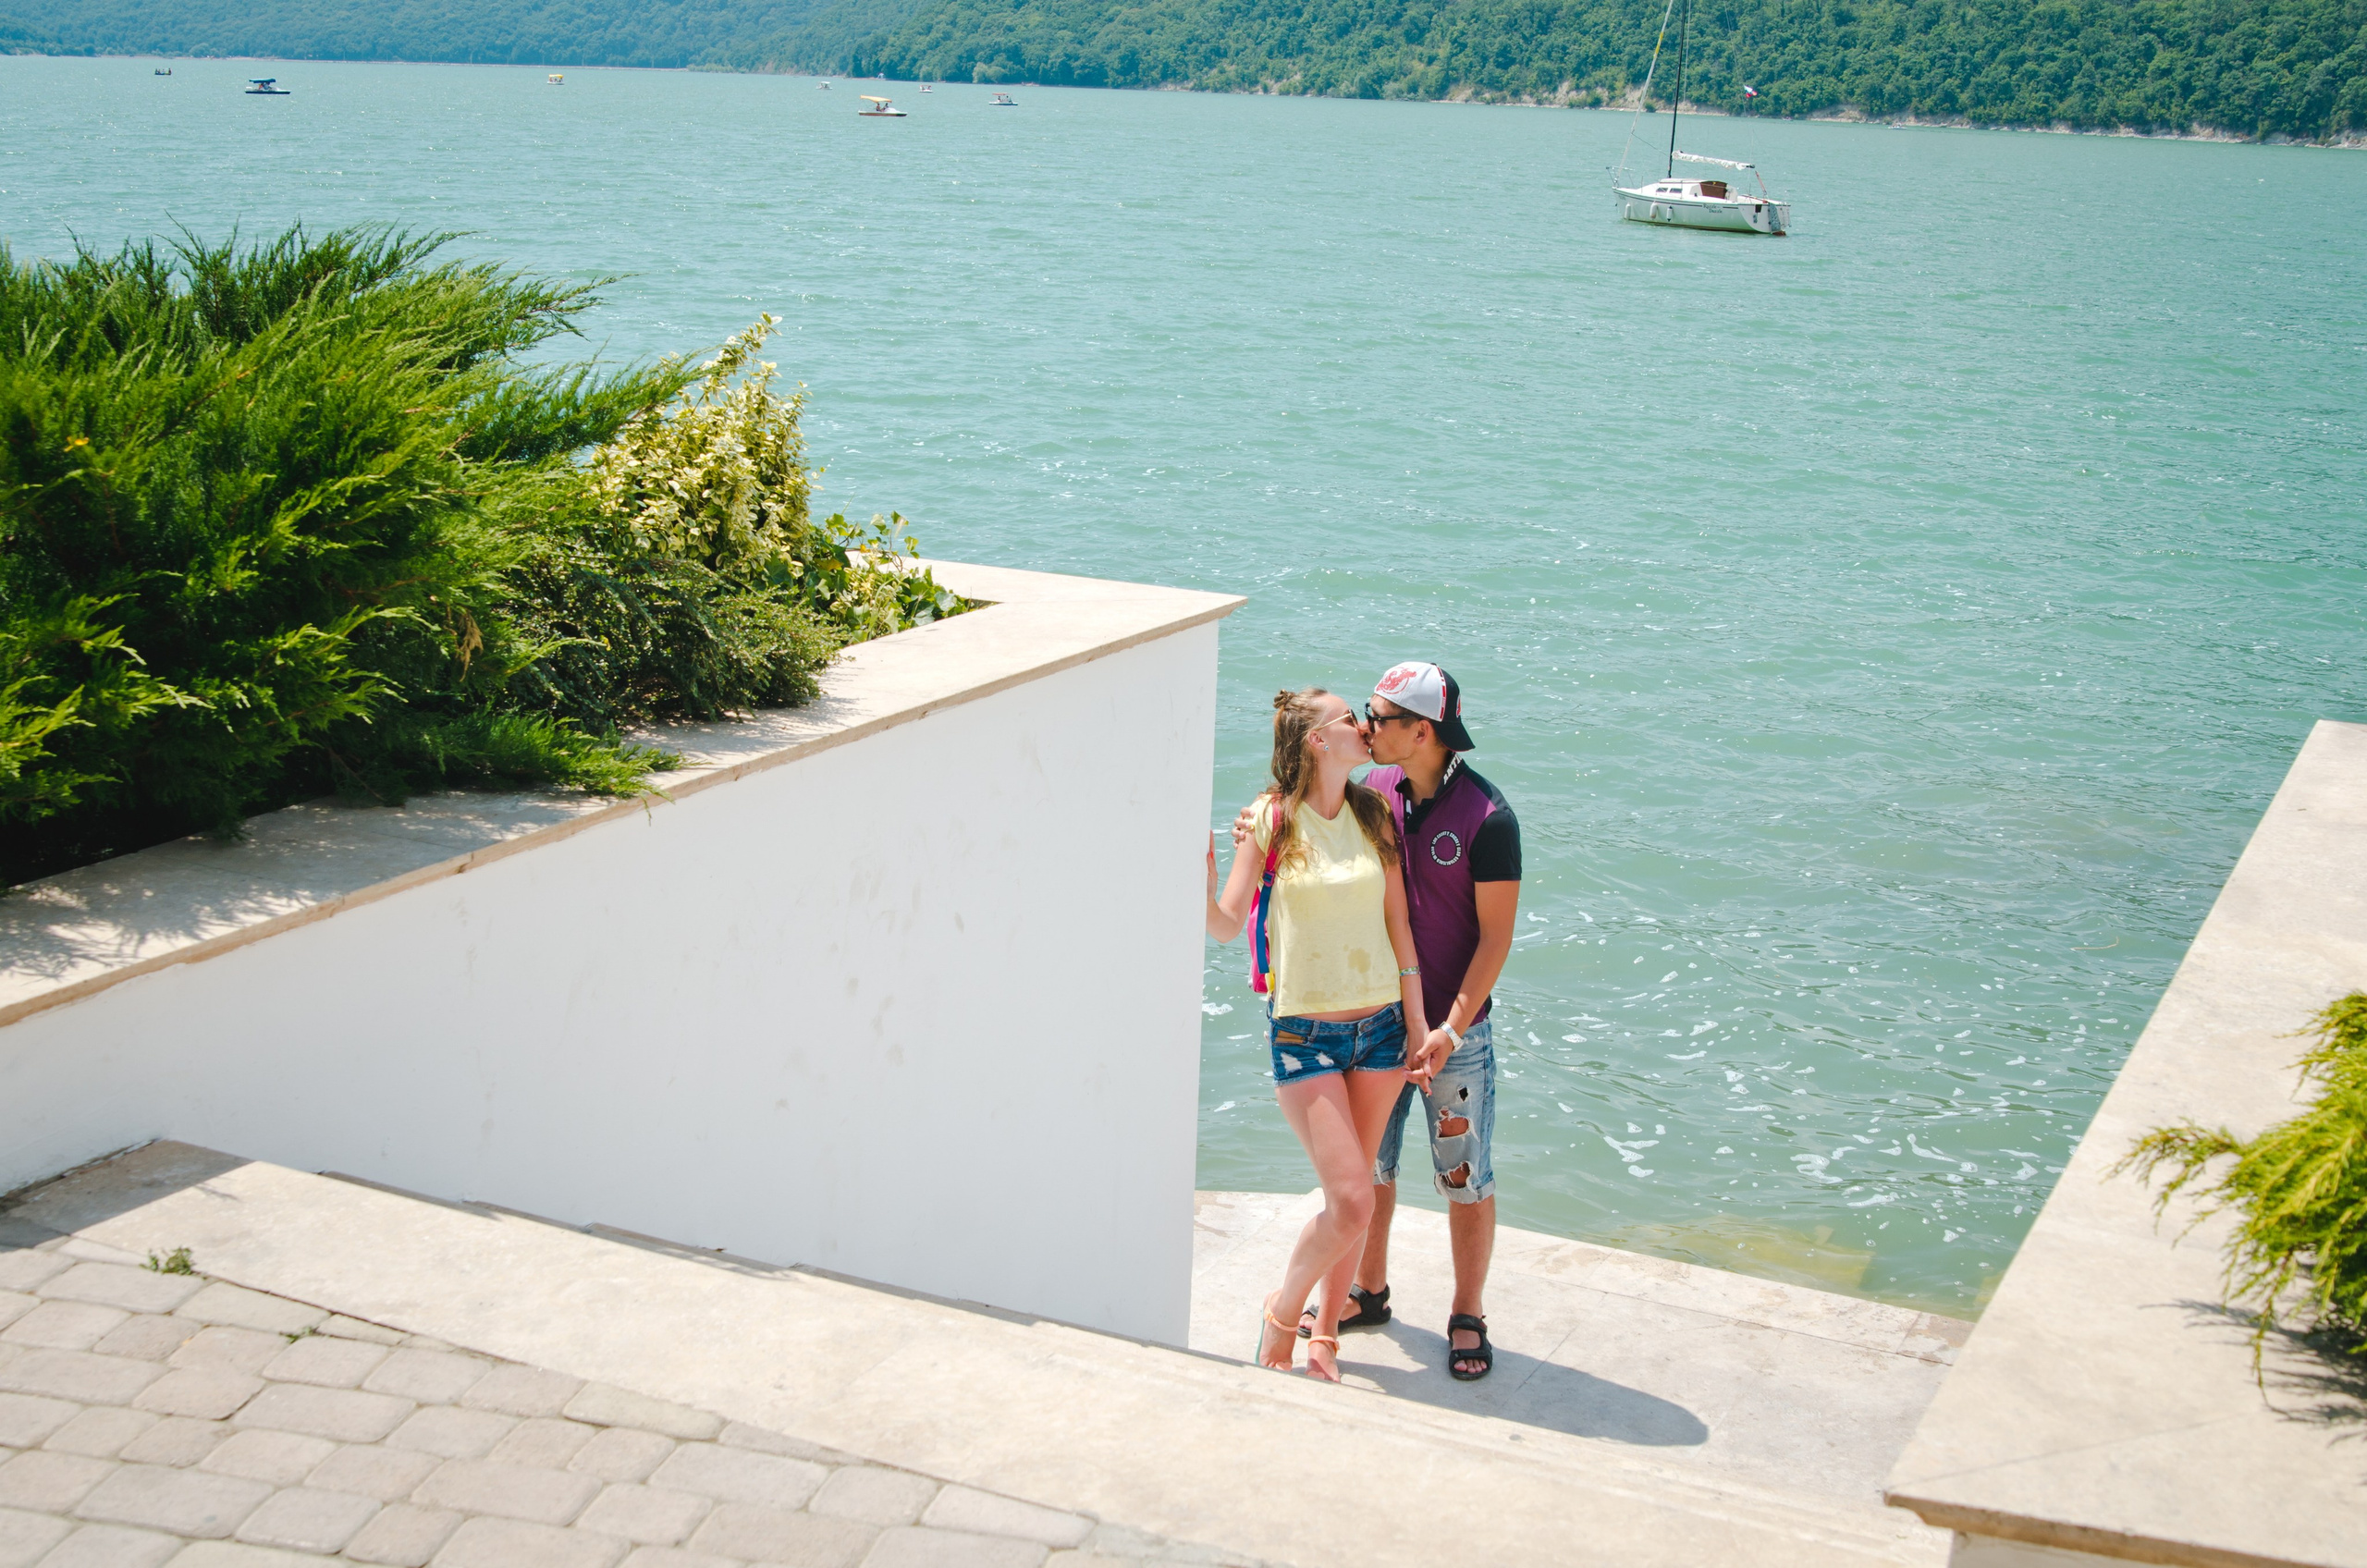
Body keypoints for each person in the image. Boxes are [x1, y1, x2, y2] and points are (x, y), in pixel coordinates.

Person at [1236, 661, 1520, 1380]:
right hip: (1381, 1021)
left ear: (1420, 732)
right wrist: (1259, 819)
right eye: (1360, 713)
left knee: (1464, 1179)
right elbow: (1302, 813)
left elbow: (1496, 940)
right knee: (1370, 1177)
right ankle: (1366, 1292)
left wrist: (1448, 1029)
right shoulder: (1376, 794)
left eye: (1380, 715)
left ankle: (1467, 1312)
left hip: (1453, 1030)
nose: (1367, 725)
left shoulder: (1489, 818)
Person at [1206, 689, 1430, 1382]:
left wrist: (1417, 1021)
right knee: (1354, 1198)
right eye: (1349, 719)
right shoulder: (1271, 819)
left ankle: (1326, 1335)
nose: (1364, 726)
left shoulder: (1374, 813)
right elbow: (1226, 923)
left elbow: (1399, 925)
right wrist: (1201, 884)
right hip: (1305, 1035)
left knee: (1353, 1201)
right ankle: (1284, 1312)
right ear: (1317, 740)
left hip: (1383, 1030)